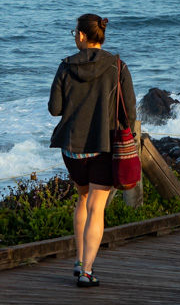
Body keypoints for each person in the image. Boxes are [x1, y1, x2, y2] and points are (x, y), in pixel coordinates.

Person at [48, 14, 136, 287]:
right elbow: (129, 113)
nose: (74, 36)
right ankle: (86, 271)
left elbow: (55, 109)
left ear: (83, 36)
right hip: (104, 146)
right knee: (97, 207)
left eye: (74, 32)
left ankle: (77, 260)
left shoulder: (65, 66)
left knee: (82, 199)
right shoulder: (118, 66)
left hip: (72, 149)